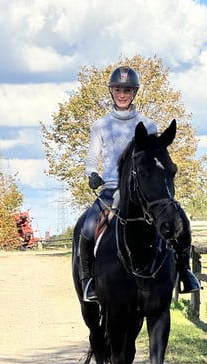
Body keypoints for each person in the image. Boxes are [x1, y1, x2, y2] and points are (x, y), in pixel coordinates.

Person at [78, 65, 200, 302]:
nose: (122, 95)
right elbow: (92, 156)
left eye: (127, 90)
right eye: (118, 90)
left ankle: (184, 271)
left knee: (180, 222)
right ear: (111, 92)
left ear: (134, 93)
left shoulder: (148, 125)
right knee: (88, 227)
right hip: (112, 187)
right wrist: (92, 172)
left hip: (143, 190)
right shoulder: (101, 125)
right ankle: (89, 281)